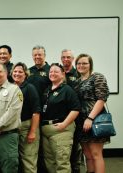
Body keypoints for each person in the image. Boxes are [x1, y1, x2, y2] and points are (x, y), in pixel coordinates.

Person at [41, 63, 80, 173]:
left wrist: (64, 124)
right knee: (50, 163)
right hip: (46, 131)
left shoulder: (67, 90)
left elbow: (75, 109)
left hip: (61, 131)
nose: (52, 73)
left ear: (63, 74)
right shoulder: (47, 90)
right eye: (51, 71)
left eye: (56, 71)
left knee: (62, 163)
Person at [74, 54, 110, 173]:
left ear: (90, 65)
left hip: (94, 119)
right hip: (81, 122)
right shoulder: (78, 81)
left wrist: (90, 118)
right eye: (79, 63)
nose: (81, 65)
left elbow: (102, 98)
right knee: (87, 155)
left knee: (96, 154)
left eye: (85, 63)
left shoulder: (97, 77)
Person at [11, 62, 41, 173]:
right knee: (15, 160)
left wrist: (32, 132)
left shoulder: (30, 88)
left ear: (25, 74)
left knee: (29, 160)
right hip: (13, 128)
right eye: (15, 71)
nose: (17, 73)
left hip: (27, 126)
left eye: (20, 72)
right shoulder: (10, 88)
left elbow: (36, 111)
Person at [27, 45, 51, 173]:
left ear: (44, 56)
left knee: (45, 147)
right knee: (33, 144)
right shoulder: (28, 71)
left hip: (47, 113)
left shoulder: (50, 70)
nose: (37, 57)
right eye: (35, 55)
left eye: (39, 54)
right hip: (31, 113)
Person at [61, 49, 82, 173]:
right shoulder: (59, 72)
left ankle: (75, 169)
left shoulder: (78, 73)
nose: (65, 59)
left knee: (75, 147)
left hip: (76, 115)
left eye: (68, 57)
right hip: (62, 115)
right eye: (63, 57)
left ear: (72, 59)